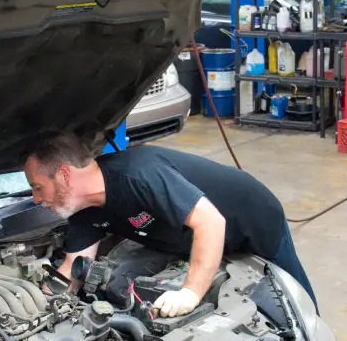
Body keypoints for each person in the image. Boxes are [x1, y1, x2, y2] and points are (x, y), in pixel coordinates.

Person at [23, 133, 316, 317]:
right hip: (188, 239)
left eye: (37, 187)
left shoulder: (140, 175)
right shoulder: (83, 210)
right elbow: (74, 268)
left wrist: (190, 292)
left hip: (250, 218)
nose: (36, 199)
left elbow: (211, 222)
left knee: (291, 299)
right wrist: (35, 307)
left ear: (64, 175)